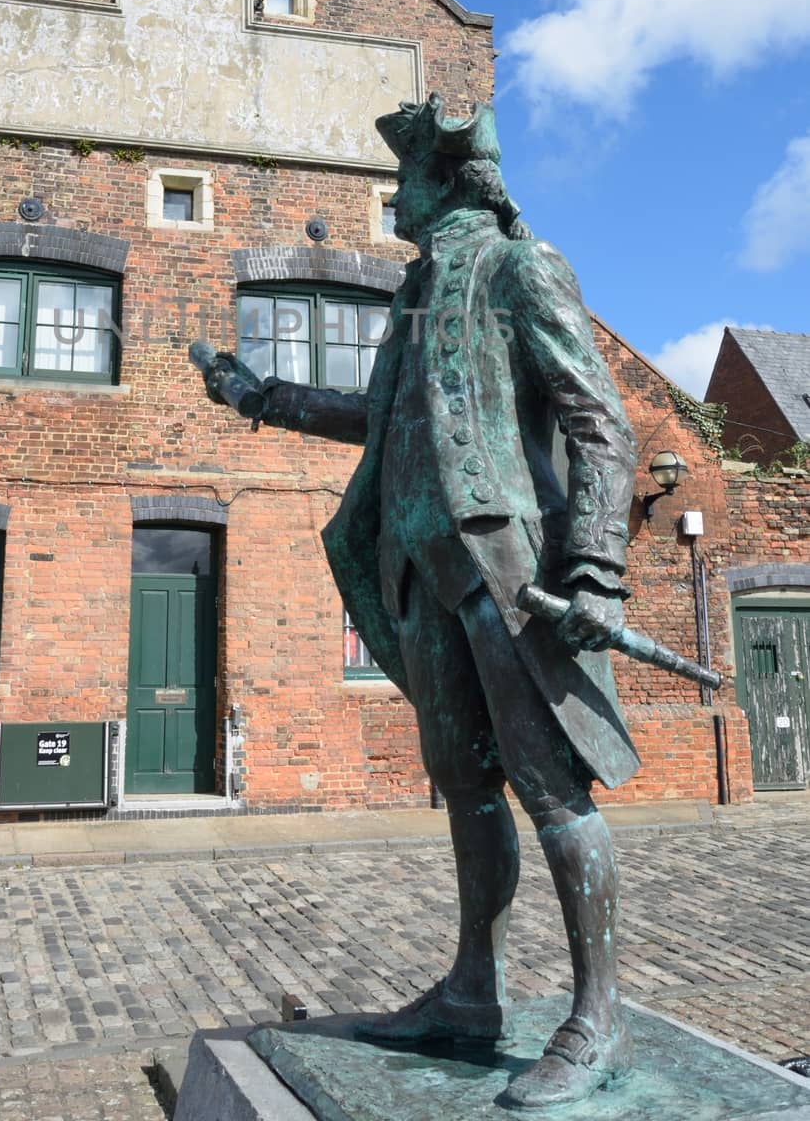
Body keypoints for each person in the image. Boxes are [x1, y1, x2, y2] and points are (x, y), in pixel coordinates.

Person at [194, 95, 640, 1109]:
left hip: (505, 573)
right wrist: (260, 398)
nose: (390, 197)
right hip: (420, 568)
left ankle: (595, 1016)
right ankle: (471, 993)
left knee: (548, 782)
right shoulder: (411, 296)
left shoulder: (521, 269)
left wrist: (595, 572)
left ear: (445, 183)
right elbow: (377, 418)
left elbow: (601, 423)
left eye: (401, 179)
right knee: (464, 781)